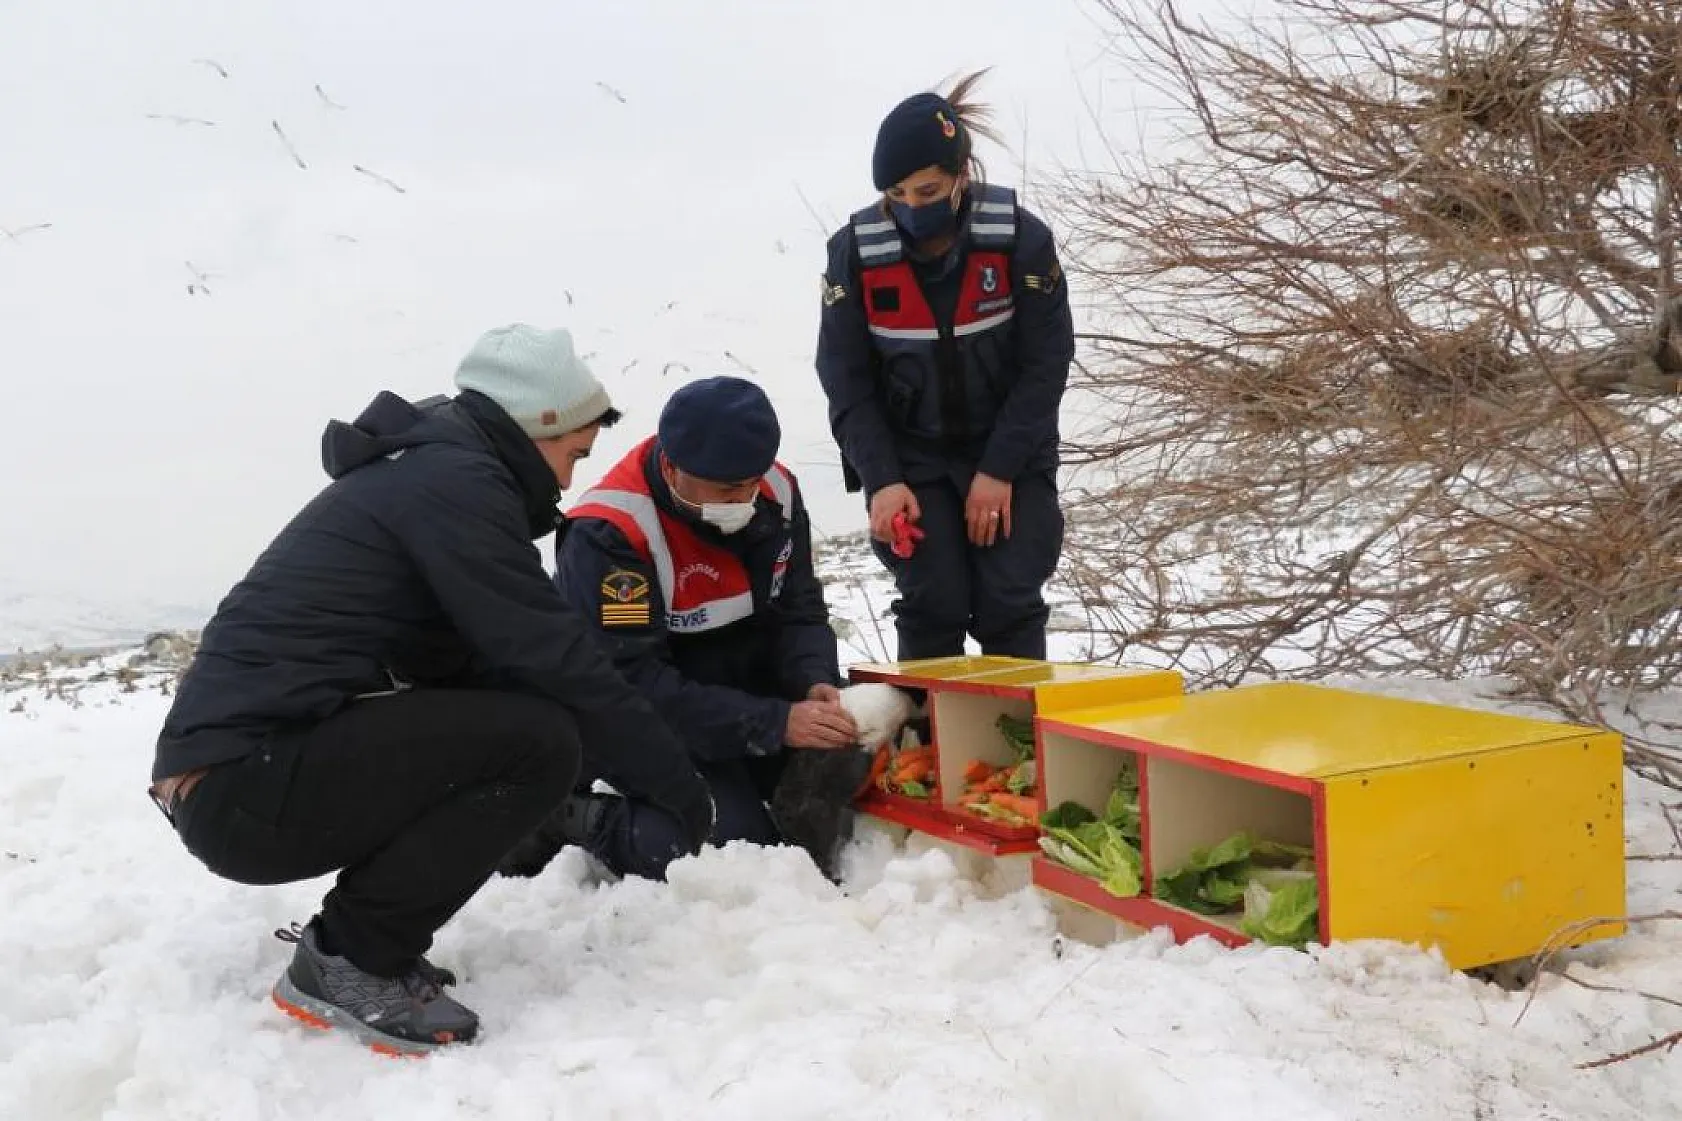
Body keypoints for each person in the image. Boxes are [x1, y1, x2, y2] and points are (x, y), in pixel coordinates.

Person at [148, 325, 713, 1056]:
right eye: (574, 455)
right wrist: (680, 790)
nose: (571, 482)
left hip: (239, 776)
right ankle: (349, 957)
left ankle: (364, 938)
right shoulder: (455, 486)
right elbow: (556, 657)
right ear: (537, 425)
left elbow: (485, 668)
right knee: (540, 742)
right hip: (240, 786)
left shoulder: (432, 472)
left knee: (534, 731)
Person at [498, 375, 868, 882]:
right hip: (642, 720)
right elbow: (631, 687)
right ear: (673, 468)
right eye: (726, 489)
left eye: (751, 484)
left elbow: (798, 608)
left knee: (857, 778)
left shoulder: (774, 489)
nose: (744, 500)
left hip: (739, 697)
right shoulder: (610, 535)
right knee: (725, 849)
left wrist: (815, 680)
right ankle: (573, 816)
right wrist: (774, 722)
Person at [815, 71, 1075, 662]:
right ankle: (927, 748)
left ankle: (1019, 748)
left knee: (1009, 594)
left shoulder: (1020, 242)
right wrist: (881, 479)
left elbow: (1047, 362)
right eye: (897, 195)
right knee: (934, 597)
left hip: (1009, 447)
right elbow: (844, 379)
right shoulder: (853, 256)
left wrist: (1000, 470)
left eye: (928, 192)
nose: (912, 207)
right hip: (911, 457)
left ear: (961, 176)